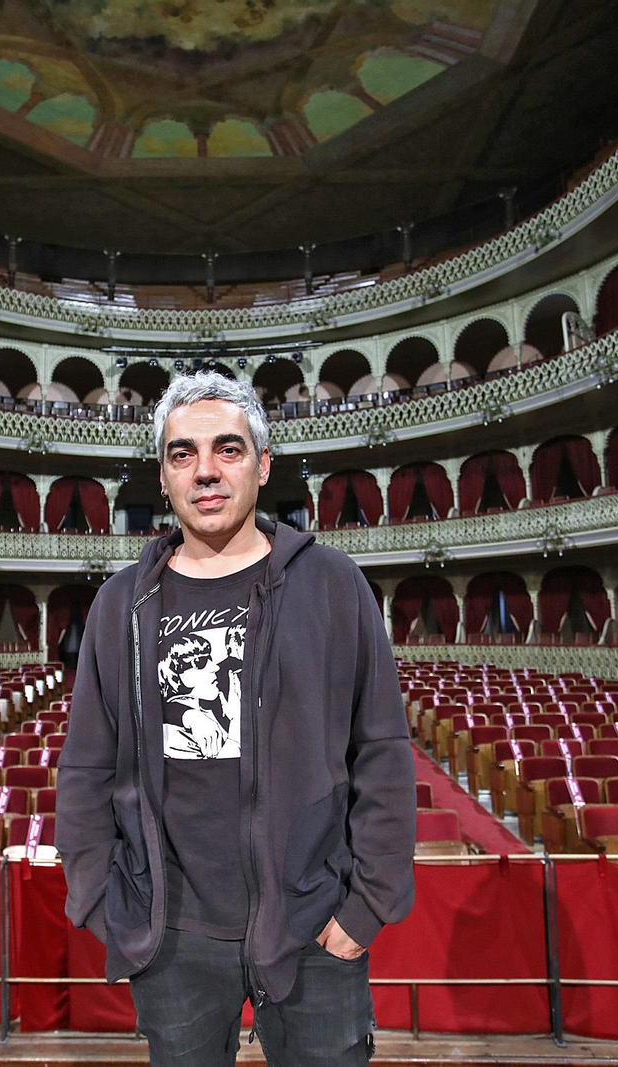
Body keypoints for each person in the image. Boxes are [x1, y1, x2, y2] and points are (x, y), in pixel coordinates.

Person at [56, 371, 416, 1065]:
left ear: (263, 464)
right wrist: (103, 901)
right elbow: (86, 767)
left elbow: (381, 747)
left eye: (228, 448)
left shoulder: (332, 582)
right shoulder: (120, 604)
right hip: (172, 935)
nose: (207, 471)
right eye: (182, 453)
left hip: (313, 921)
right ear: (163, 477)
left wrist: (365, 906)